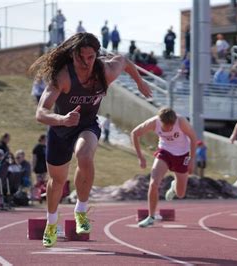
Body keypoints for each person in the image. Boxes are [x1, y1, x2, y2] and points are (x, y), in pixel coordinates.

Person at [29, 32, 151, 247]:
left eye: (91, 57)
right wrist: (62, 119)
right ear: (72, 55)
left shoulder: (104, 71)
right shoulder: (63, 76)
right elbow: (40, 113)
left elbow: (123, 61)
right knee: (57, 181)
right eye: (81, 57)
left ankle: (81, 210)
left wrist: (139, 82)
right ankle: (51, 222)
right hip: (60, 130)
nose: (86, 63)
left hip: (86, 125)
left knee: (85, 157)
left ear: (96, 55)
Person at [131, 107, 197, 228]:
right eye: (165, 126)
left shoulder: (181, 121)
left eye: (171, 126)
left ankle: (173, 186)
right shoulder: (153, 122)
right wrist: (140, 157)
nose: (168, 129)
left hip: (182, 155)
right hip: (164, 152)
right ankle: (151, 217)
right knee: (153, 183)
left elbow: (193, 137)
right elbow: (134, 133)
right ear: (160, 121)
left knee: (181, 194)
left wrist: (192, 159)